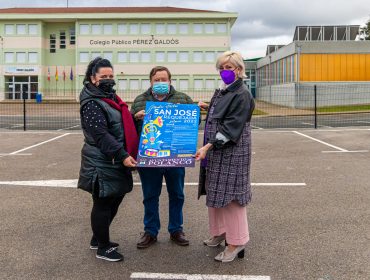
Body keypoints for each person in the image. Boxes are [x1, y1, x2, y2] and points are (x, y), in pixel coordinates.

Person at [195, 51, 255, 263]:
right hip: (216, 153)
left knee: (232, 199)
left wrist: (208, 147)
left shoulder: (242, 94)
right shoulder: (224, 91)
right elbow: (222, 113)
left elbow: (231, 128)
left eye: (229, 67)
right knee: (216, 193)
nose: (225, 71)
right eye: (222, 67)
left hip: (232, 152)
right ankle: (220, 232)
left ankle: (237, 242)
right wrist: (207, 106)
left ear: (239, 69)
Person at [78, 57, 138, 262]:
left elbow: (117, 123)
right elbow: (101, 135)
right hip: (102, 161)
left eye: (111, 76)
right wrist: (122, 155)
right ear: (92, 78)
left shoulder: (110, 98)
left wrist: (133, 117)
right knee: (103, 203)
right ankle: (103, 247)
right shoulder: (92, 103)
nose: (109, 80)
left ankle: (98, 238)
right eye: (104, 76)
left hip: (113, 159)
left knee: (115, 197)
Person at [131, 66, 194, 249]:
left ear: (170, 81)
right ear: (150, 81)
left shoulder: (183, 99)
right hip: (150, 159)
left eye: (163, 79)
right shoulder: (140, 101)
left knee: (177, 194)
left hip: (175, 158)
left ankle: (176, 230)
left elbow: (193, 123)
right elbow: (130, 129)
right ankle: (150, 231)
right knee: (150, 196)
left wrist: (193, 114)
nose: (160, 83)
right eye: (156, 80)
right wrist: (136, 118)